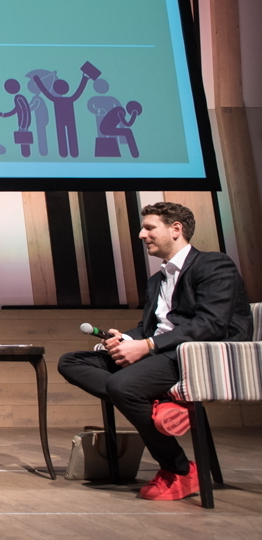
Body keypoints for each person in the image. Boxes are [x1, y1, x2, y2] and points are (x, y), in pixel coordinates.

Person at [58, 202, 251, 501]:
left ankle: (179, 469)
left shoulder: (214, 265)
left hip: (197, 356)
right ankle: (161, 403)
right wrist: (126, 339)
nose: (141, 234)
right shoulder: (156, 280)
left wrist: (147, 346)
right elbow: (150, 328)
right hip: (161, 353)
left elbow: (211, 324)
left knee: (123, 386)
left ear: (176, 229)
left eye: (149, 228)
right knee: (71, 362)